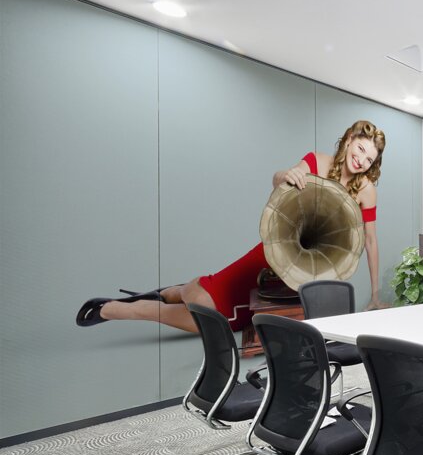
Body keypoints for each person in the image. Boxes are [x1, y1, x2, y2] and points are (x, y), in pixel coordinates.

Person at [76, 120, 386, 333]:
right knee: (208, 309)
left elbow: (369, 241)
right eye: (359, 149)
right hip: (272, 255)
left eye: (369, 159)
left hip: (305, 274)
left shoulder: (367, 191)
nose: (361, 160)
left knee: (223, 322)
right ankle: (121, 309)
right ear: (348, 141)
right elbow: (279, 180)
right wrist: (286, 174)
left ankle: (171, 292)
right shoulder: (317, 160)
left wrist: (373, 294)